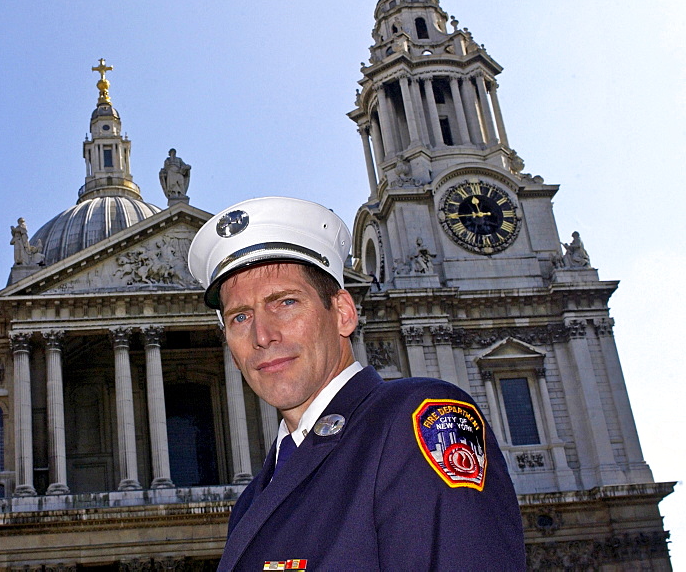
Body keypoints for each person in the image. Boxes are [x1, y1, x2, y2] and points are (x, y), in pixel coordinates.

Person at [187, 196, 525, 570]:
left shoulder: (414, 422)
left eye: (285, 303)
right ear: (231, 350)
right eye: (239, 318)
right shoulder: (254, 498)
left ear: (344, 314)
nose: (262, 336)